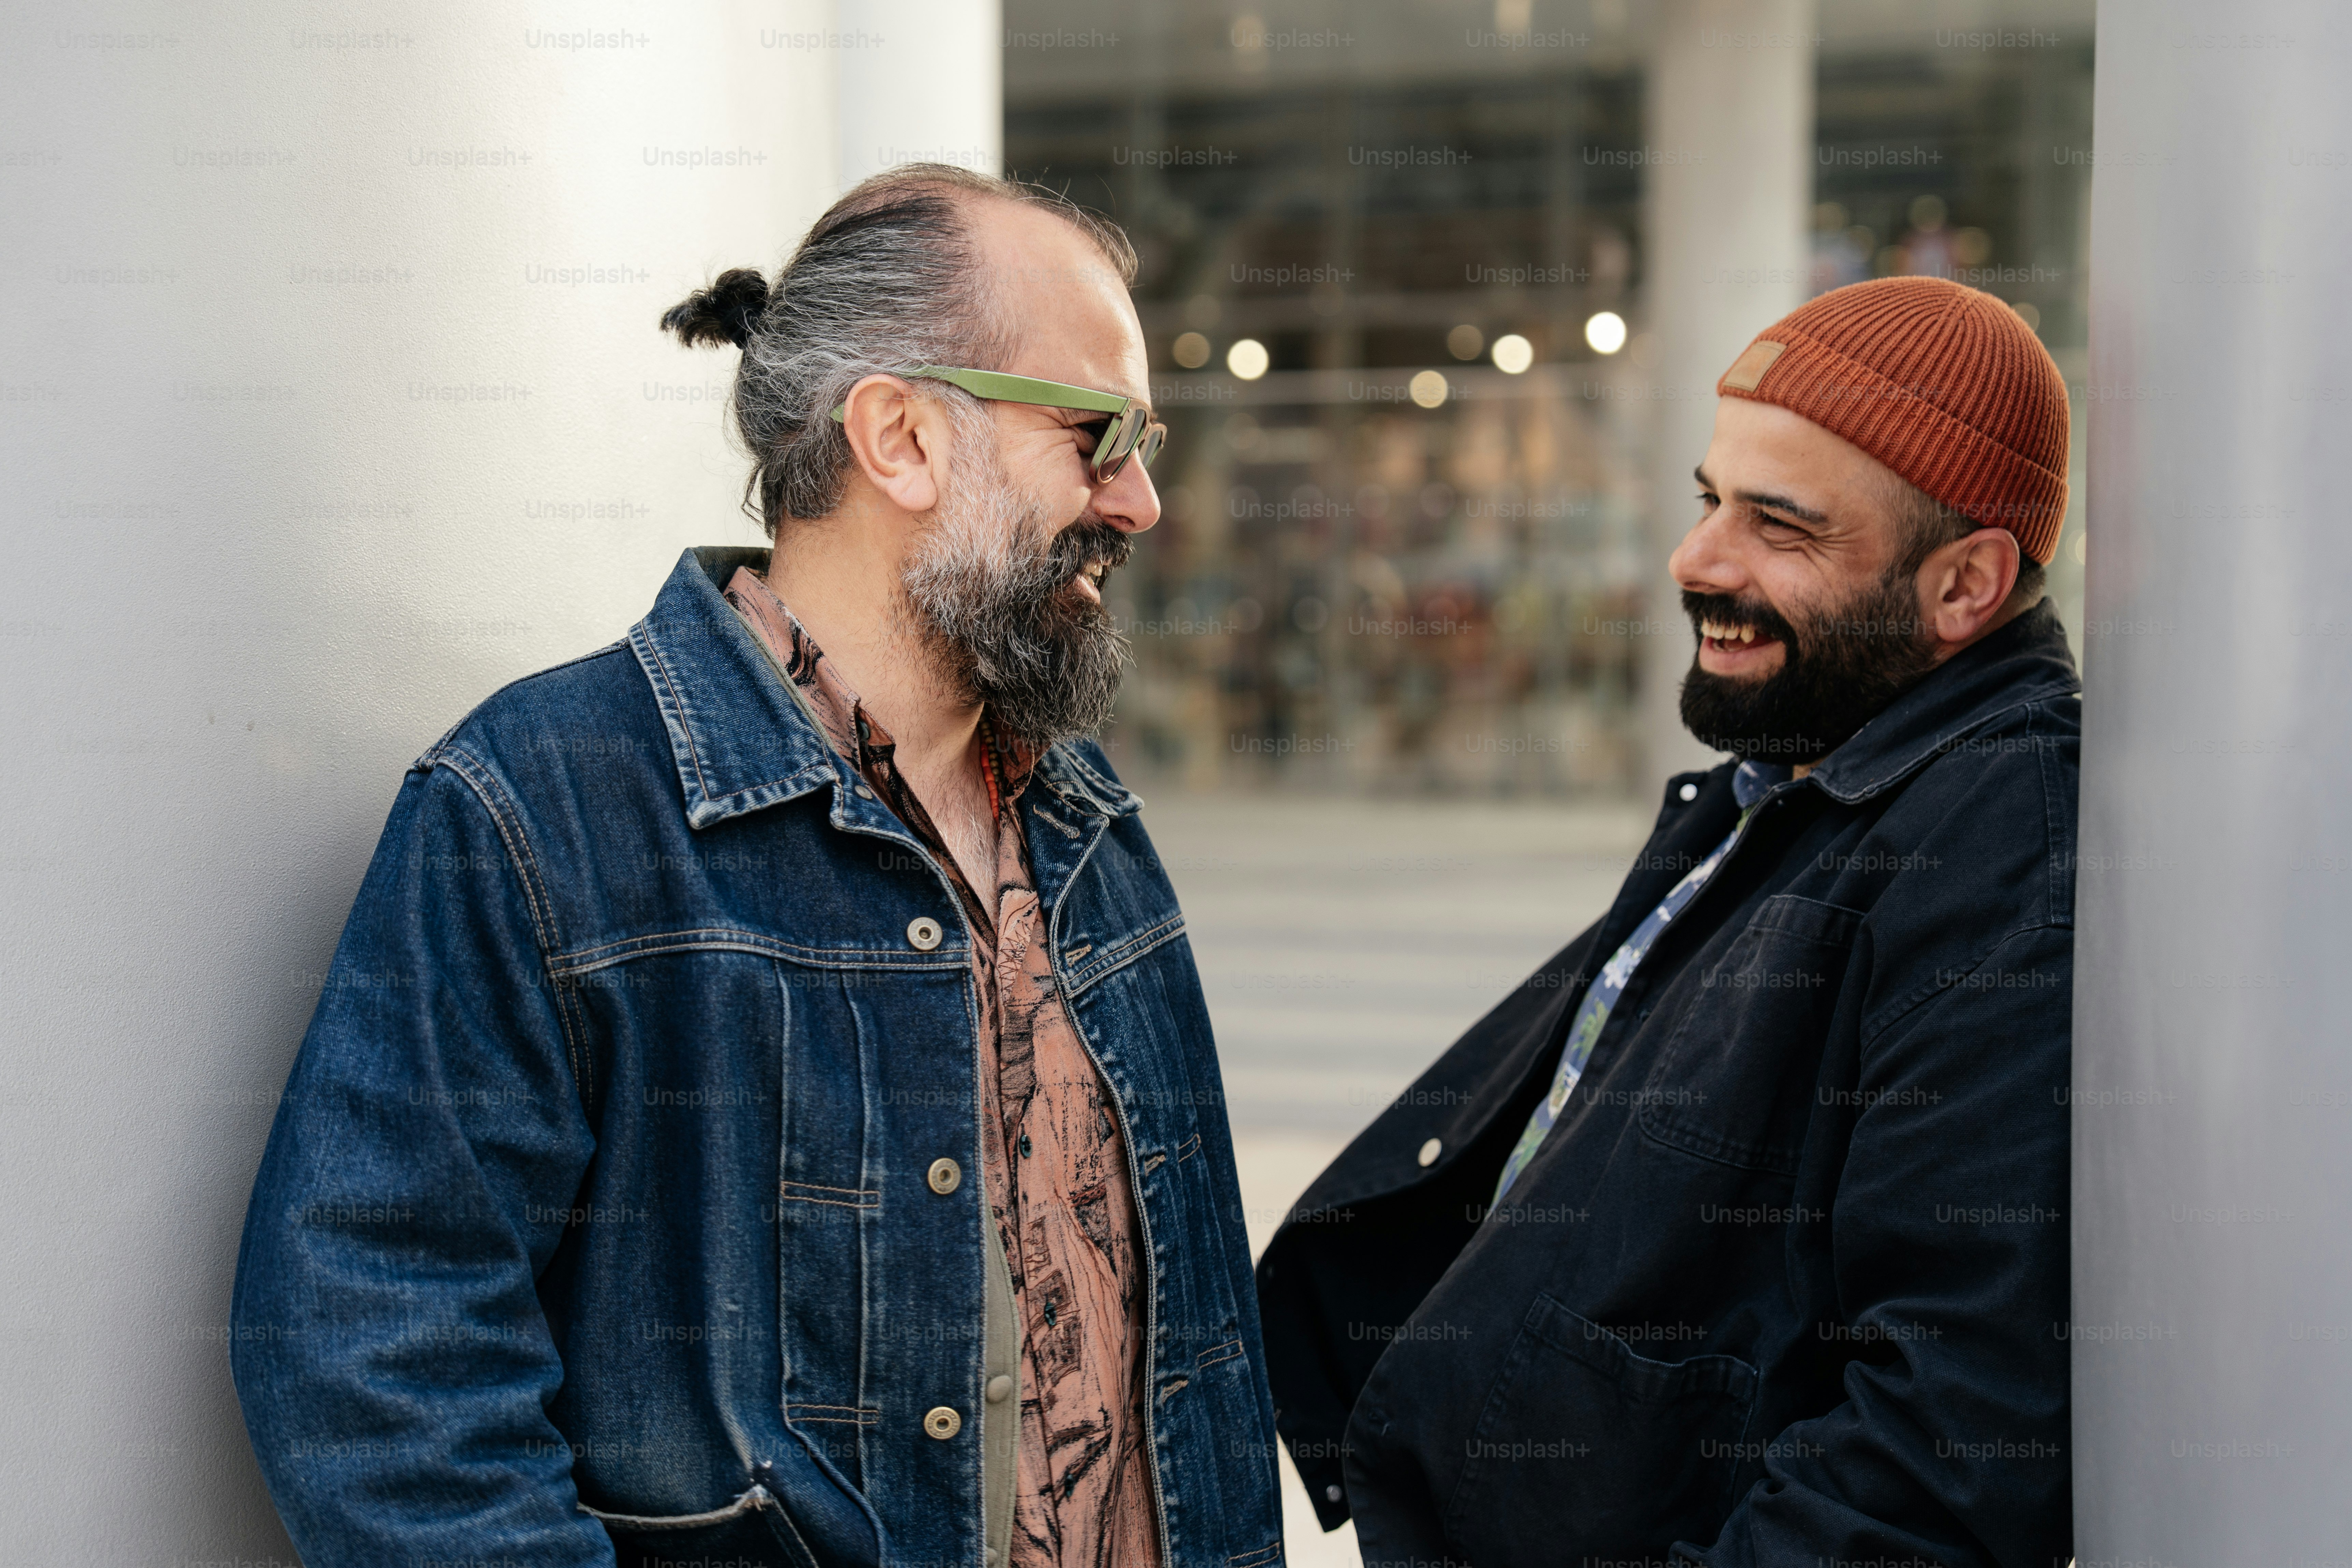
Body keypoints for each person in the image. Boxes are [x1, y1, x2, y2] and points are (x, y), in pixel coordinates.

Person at [229, 165, 1281, 1568]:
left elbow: (1180, 1364)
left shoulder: (1085, 824)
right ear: (899, 437)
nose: (1140, 500)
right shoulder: (543, 811)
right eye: (1098, 433)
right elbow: (373, 1358)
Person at [1257, 276, 2077, 1566]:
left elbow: (1947, 1448)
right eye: (1710, 500)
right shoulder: (1814, 765)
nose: (1700, 560)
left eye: (1781, 526)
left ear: (1965, 583)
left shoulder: (2004, 845)